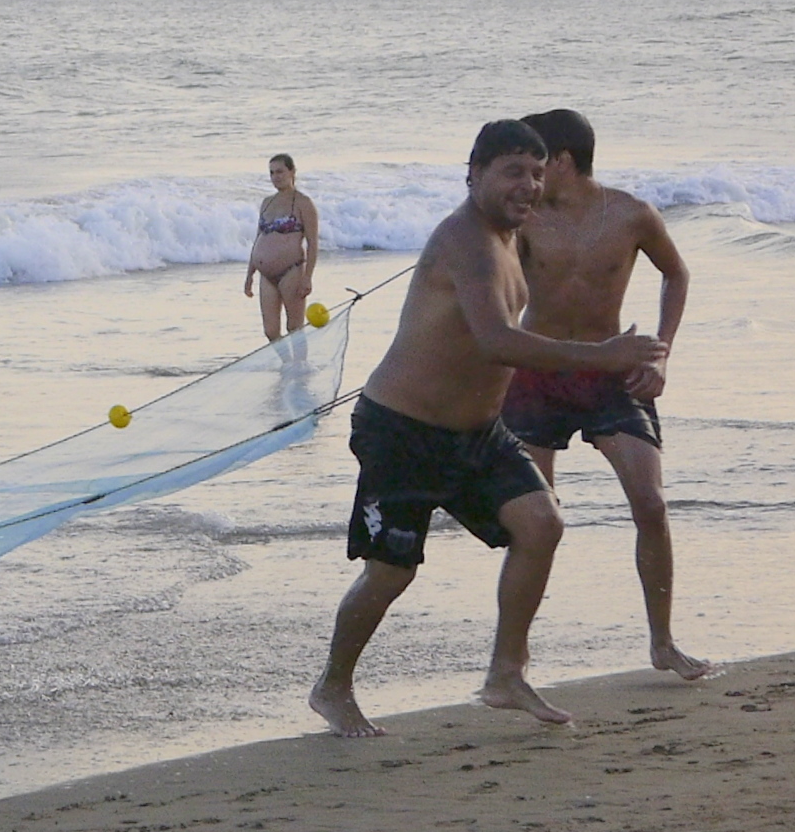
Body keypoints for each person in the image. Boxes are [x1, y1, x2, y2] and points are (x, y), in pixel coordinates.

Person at [308, 121, 667, 738]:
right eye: (511, 172)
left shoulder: (512, 233)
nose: (527, 185)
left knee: (542, 522)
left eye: (535, 171)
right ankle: (332, 686)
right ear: (472, 174)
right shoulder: (467, 241)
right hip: (402, 429)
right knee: (392, 571)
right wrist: (604, 355)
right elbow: (498, 342)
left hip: (479, 432)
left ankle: (506, 671)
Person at [505, 109, 709, 681]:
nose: (530, 179)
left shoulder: (631, 215)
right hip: (537, 370)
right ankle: (514, 661)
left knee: (651, 504)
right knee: (534, 524)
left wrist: (662, 350)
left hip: (611, 369)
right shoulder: (522, 219)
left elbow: (677, 274)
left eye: (539, 164)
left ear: (564, 161)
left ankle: (663, 643)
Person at [244, 154, 320, 341]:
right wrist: (250, 274)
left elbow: (312, 243)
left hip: (291, 271)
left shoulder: (302, 202)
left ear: (292, 172)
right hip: (266, 274)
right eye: (271, 173)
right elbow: (258, 238)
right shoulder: (267, 202)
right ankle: (287, 365)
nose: (276, 177)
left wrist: (308, 277)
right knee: (270, 331)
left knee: (294, 328)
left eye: (280, 171)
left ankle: (300, 365)